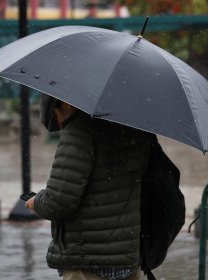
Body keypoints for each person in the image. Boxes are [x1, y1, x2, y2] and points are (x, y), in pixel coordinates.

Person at [26, 94, 155, 280]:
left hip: (87, 262)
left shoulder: (80, 131)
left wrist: (37, 202)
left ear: (66, 104)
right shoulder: (133, 128)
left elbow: (59, 201)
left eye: (56, 114)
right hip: (126, 259)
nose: (60, 123)